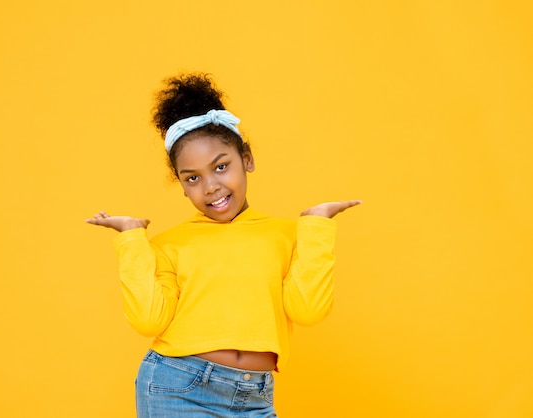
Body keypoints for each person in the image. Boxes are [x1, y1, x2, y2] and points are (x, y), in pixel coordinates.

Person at [86, 73, 361, 417]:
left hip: (255, 396)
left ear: (247, 159)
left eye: (221, 166)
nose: (211, 186)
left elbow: (308, 310)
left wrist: (317, 226)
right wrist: (130, 240)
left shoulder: (287, 235)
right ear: (182, 186)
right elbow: (148, 321)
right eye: (193, 178)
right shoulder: (170, 244)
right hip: (177, 386)